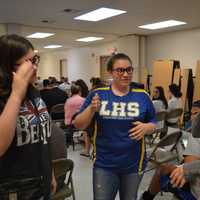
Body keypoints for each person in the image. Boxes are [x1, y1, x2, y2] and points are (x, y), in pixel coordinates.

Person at [74, 53, 156, 200]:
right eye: (120, 70)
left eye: (129, 70)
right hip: (104, 165)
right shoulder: (98, 94)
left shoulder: (142, 95)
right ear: (110, 72)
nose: (126, 74)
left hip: (134, 164)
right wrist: (91, 110)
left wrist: (148, 127)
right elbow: (79, 125)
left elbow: (154, 122)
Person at [0, 34, 56, 199]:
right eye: (26, 63)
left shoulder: (33, 91)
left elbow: (42, 138)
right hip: (12, 189)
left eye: (34, 60)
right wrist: (16, 94)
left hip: (40, 182)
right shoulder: (7, 96)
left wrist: (49, 171)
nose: (34, 67)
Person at [140, 100, 200, 200]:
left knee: (162, 170)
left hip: (194, 191)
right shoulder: (177, 102)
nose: (192, 117)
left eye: (196, 113)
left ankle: (147, 197)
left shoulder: (196, 132)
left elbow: (188, 173)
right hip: (171, 126)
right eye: (191, 114)